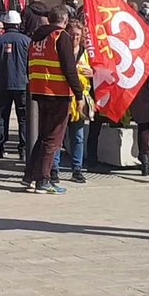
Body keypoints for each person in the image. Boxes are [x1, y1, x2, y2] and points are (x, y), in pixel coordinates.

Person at [24, 4, 84, 194]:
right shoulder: (61, 37)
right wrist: (79, 93)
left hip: (39, 90)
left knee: (43, 135)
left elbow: (30, 64)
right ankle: (43, 180)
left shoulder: (36, 38)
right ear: (64, 21)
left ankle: (30, 176)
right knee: (53, 138)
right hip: (58, 92)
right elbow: (69, 68)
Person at [52, 18, 93, 184]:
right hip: (62, 97)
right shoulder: (60, 50)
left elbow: (99, 71)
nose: (75, 37)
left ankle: (77, 169)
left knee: (78, 136)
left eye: (78, 35)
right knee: (58, 135)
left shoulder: (86, 53)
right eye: (72, 34)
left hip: (80, 99)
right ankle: (54, 168)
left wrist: (92, 72)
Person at [0, 10, 31, 159]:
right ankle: (23, 150)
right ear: (18, 24)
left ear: (5, 24)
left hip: (1, 84)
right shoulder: (26, 41)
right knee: (23, 118)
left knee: (0, 117)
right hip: (22, 85)